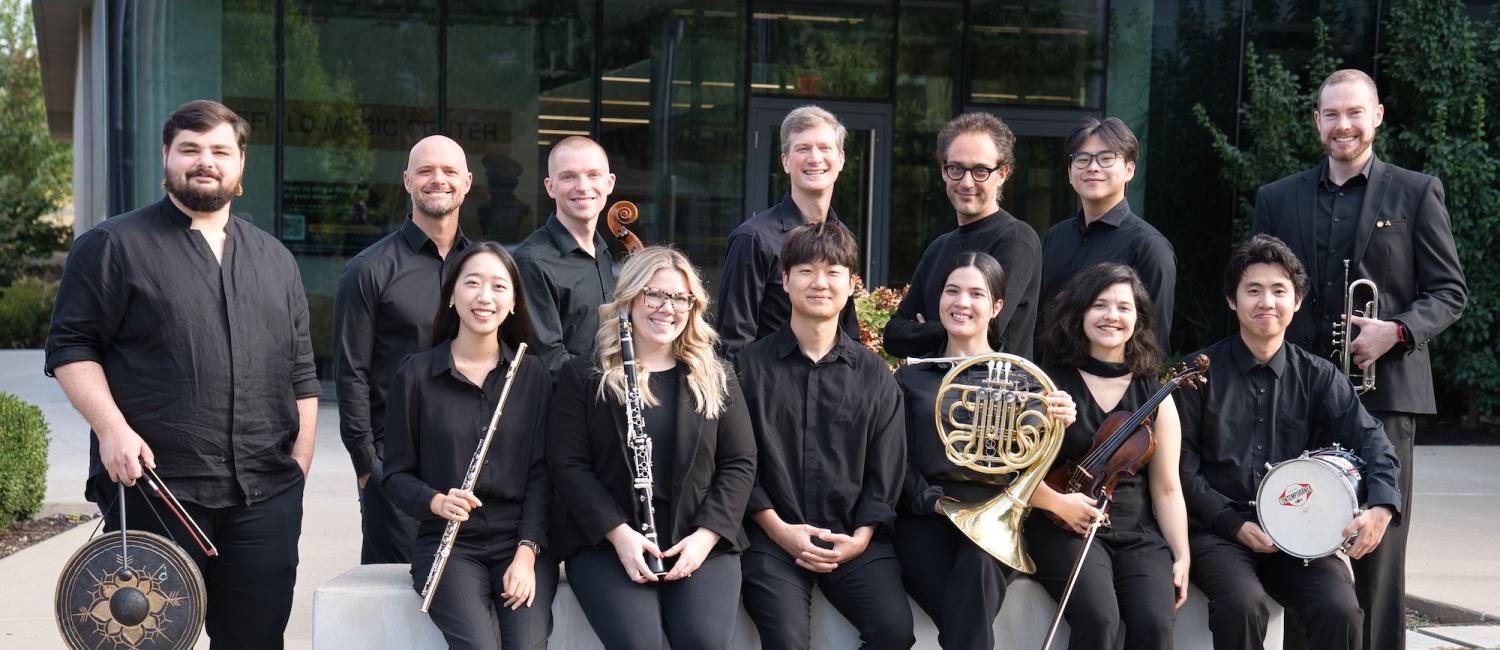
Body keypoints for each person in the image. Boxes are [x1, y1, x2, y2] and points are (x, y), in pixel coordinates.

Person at [45, 100, 318, 649]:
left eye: (220, 150)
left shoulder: (275, 259)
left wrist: (299, 465)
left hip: (265, 496)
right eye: (190, 149)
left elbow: (302, 372)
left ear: (240, 166)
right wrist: (111, 429)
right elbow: (72, 348)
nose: (205, 161)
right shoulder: (112, 246)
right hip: (155, 490)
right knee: (145, 642)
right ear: (167, 157)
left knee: (257, 641)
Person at [1249, 68, 1466, 650]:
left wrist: (1394, 331)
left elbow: (1449, 293)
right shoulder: (1277, 198)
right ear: (1317, 120)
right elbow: (1258, 289)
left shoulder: (1417, 191)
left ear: (1376, 117)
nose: (1343, 125)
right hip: (1300, 395)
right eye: (1331, 114)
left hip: (1386, 396)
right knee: (1300, 540)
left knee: (1378, 549)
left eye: (1354, 113)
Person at [1178, 234, 1402, 650]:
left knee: (1340, 609)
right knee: (1243, 605)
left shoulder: (1318, 376)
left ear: (1297, 301)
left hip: (1298, 531)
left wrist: (1383, 506)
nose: (1267, 302)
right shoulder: (1198, 373)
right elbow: (1181, 468)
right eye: (1253, 290)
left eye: (1279, 290)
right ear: (1232, 301)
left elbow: (1375, 443)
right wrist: (1233, 524)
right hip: (1218, 532)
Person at [548, 246, 757, 650]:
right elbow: (568, 464)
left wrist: (707, 536)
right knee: (637, 644)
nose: (667, 308)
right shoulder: (586, 375)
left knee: (703, 642)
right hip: (608, 543)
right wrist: (619, 533)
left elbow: (740, 463)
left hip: (698, 539)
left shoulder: (715, 375)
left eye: (680, 298)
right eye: (654, 295)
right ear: (630, 298)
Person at [737, 223, 914, 650]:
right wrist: (779, 529)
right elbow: (736, 464)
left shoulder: (875, 376)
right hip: (770, 538)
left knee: (894, 633)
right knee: (787, 641)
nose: (819, 283)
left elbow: (886, 471)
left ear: (852, 285)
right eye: (805, 271)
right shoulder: (747, 367)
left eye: (833, 271)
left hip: (852, 538)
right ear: (784, 280)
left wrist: (860, 539)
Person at [893, 251, 1077, 650]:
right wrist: (932, 503)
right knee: (966, 610)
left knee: (979, 568)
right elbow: (896, 461)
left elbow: (1031, 460)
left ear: (996, 307)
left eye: (976, 294)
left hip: (996, 511)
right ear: (938, 300)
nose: (962, 303)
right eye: (952, 291)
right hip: (925, 515)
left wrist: (1061, 418)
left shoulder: (1025, 381)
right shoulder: (911, 376)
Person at [381, 242, 555, 649]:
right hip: (449, 542)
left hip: (520, 540)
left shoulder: (532, 375)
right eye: (472, 283)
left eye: (498, 286)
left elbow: (543, 473)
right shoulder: (416, 375)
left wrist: (527, 555)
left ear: (513, 302)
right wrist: (435, 501)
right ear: (452, 296)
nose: (484, 297)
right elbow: (395, 476)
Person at [1027, 262, 1190, 650]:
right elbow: (1015, 473)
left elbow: (1167, 489)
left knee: (1154, 624)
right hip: (1063, 526)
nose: (1111, 316)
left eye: (1124, 307)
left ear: (1138, 319)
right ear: (1080, 311)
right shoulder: (1047, 383)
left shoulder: (1155, 394)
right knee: (1098, 620)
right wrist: (1060, 505)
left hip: (1137, 533)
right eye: (1100, 305)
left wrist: (1182, 554)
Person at [335, 134, 473, 564]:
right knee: (394, 602)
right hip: (396, 468)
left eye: (449, 171)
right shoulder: (368, 269)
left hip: (472, 461)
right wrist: (367, 468)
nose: (438, 180)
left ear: (467, 182)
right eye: (426, 171)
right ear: (407, 180)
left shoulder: (483, 267)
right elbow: (350, 372)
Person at [884, 111, 1042, 359]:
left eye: (980, 171)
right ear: (943, 171)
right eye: (956, 168)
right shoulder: (939, 248)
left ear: (1003, 173)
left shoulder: (1016, 239)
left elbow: (990, 331)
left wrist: (926, 330)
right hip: (932, 393)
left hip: (998, 395)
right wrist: (950, 329)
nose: (967, 182)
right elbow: (893, 336)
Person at [717, 105, 860, 357]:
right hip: (766, 391)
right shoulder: (753, 238)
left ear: (841, 159)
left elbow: (849, 335)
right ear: (785, 161)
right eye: (802, 148)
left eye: (825, 148)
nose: (815, 158)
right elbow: (733, 346)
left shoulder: (843, 235)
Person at [1040, 118, 1176, 352]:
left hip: (1113, 386)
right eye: (1082, 159)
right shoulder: (1055, 236)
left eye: (1106, 158)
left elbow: (1154, 342)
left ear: (1129, 170)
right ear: (1070, 173)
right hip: (1049, 385)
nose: (1092, 167)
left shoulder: (1150, 247)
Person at [514, 136, 621, 376]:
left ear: (609, 183)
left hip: (602, 403)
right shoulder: (532, 262)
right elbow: (548, 359)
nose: (583, 186)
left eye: (593, 175)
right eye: (569, 176)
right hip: (563, 407)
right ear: (550, 187)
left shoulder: (602, 252)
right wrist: (612, 380)